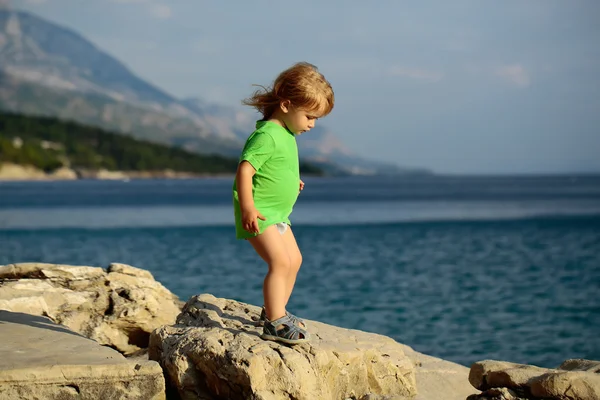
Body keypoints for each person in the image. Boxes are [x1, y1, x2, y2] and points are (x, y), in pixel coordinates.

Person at [233, 62, 335, 344]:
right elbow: (245, 170)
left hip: (279, 213)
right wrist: (248, 208)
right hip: (261, 212)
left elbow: (277, 166)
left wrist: (292, 180)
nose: (312, 125)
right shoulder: (266, 134)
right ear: (287, 105)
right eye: (310, 117)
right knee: (279, 262)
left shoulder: (287, 134)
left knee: (295, 260)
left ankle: (277, 311)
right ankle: (274, 321)